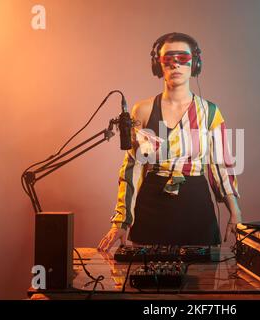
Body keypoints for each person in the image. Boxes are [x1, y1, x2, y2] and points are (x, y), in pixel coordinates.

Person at [98, 32, 241, 251]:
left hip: (196, 207)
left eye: (182, 58)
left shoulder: (211, 112)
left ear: (195, 63)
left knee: (202, 279)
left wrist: (235, 212)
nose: (175, 65)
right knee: (146, 278)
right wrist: (121, 221)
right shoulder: (143, 110)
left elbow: (220, 166)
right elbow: (132, 169)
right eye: (168, 59)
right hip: (152, 206)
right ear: (158, 65)